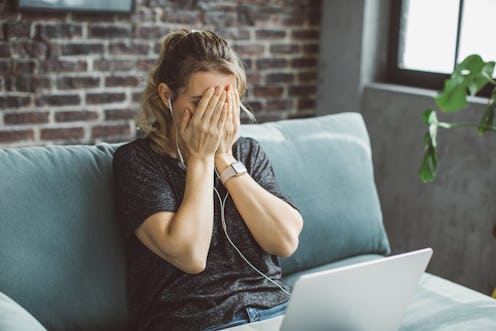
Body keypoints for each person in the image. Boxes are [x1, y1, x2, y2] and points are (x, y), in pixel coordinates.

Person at [112, 29, 303, 331]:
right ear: (167, 96)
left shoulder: (246, 153)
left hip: (277, 312)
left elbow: (285, 240)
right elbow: (190, 255)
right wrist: (201, 158)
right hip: (197, 323)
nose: (214, 115)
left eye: (224, 101)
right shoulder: (137, 162)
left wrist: (225, 161)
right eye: (202, 101)